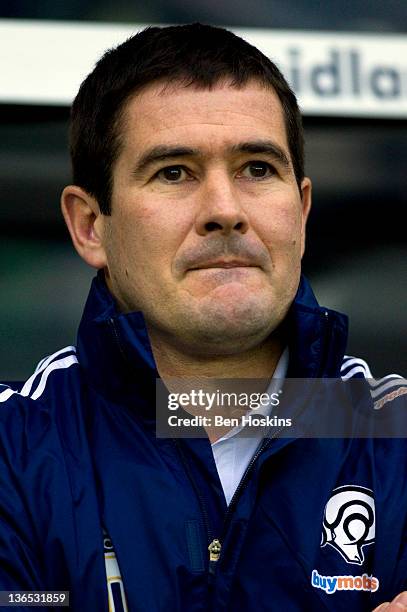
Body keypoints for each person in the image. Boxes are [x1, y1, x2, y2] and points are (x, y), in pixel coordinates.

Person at [0, 23, 406, 612]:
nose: (225, 210)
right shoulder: (14, 451)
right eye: (174, 173)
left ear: (302, 208)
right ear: (91, 225)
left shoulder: (392, 437)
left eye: (258, 169)